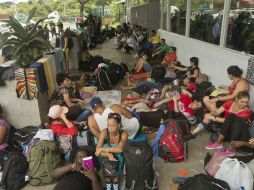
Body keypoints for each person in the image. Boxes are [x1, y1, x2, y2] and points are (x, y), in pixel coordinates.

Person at [95, 113, 128, 190]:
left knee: (115, 173)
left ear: (119, 125)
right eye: (108, 125)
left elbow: (119, 149)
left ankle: (116, 184)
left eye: (113, 125)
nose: (110, 128)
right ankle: (108, 184)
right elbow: (97, 150)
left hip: (118, 156)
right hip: (105, 156)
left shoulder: (124, 134)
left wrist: (103, 149)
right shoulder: (104, 132)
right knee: (107, 170)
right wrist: (108, 155)